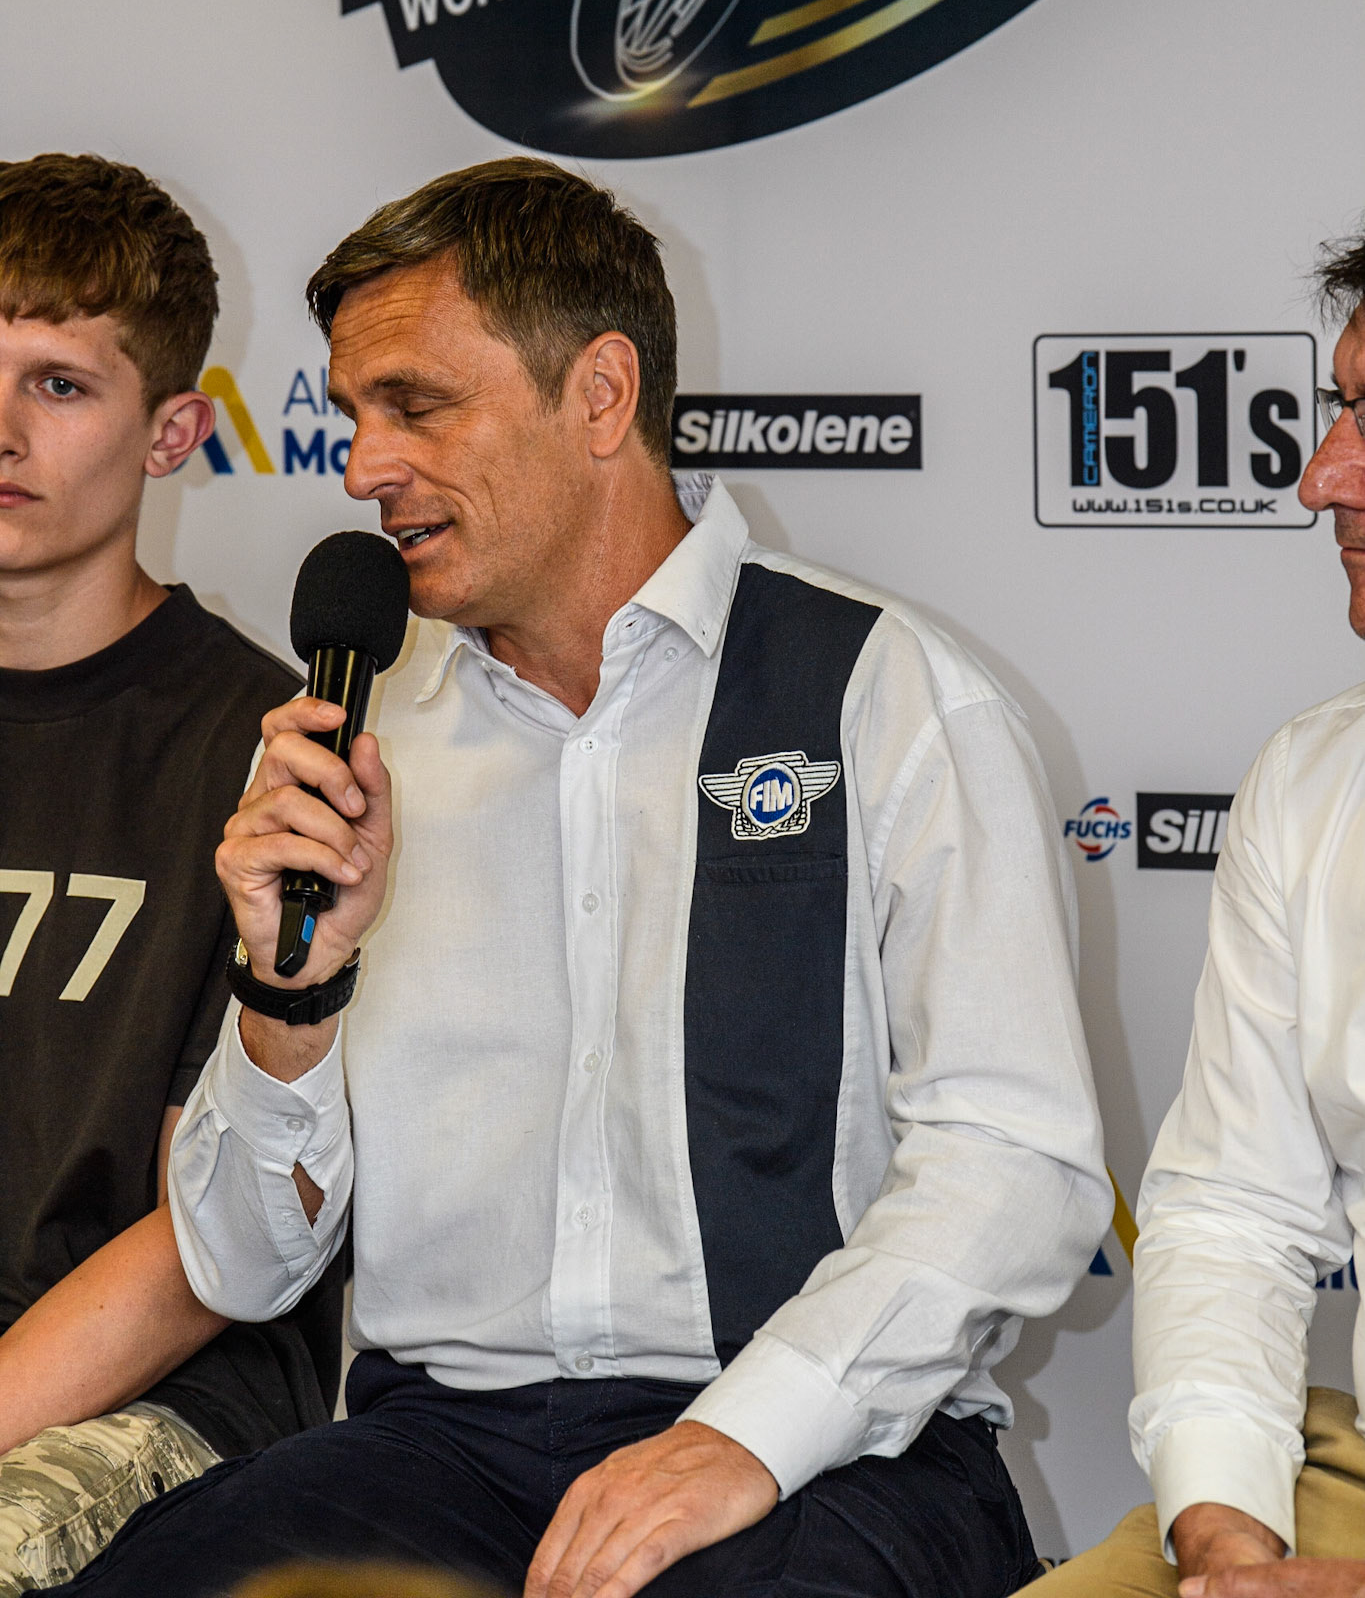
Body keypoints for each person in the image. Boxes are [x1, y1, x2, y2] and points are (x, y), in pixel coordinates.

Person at [63, 156, 1108, 1598]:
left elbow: (1015, 1163)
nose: (363, 465)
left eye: (414, 405)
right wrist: (283, 999)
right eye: (353, 413)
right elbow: (243, 1269)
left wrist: (744, 1434)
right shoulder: (345, 747)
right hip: (442, 1448)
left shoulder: (884, 696)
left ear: (600, 395)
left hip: (830, 1444)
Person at [0, 154, 343, 1593]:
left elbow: (206, 1248)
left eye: (58, 385)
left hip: (144, 1391)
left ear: (172, 432)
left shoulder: (265, 767)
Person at [1040, 242, 1365, 1597]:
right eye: (1340, 410)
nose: (1319, 476)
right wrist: (1226, 1537)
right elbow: (1232, 1212)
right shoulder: (1311, 787)